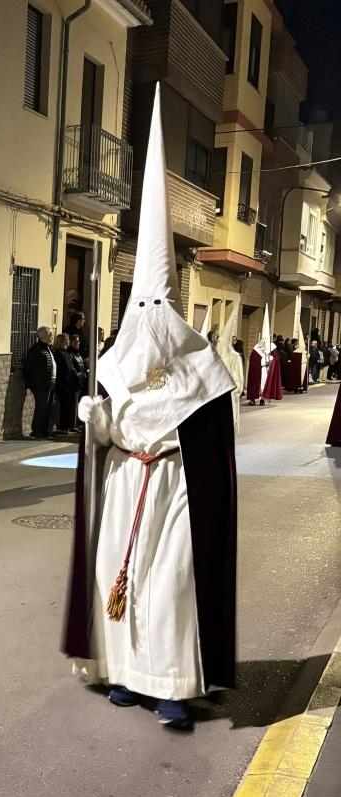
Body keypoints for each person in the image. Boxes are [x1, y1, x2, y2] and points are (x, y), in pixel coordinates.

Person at [63, 84, 237, 730]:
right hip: (124, 480)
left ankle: (171, 685)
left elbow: (214, 451)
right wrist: (95, 419)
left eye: (155, 307)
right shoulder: (117, 360)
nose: (147, 317)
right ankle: (126, 676)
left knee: (169, 589)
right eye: (140, 306)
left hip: (173, 489)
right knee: (122, 576)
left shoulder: (203, 370)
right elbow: (110, 429)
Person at [23, 326, 57, 439]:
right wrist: (35, 381)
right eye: (50, 335)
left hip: (49, 383)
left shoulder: (48, 349)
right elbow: (29, 367)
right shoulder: (36, 350)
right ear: (44, 336)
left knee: (48, 407)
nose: (52, 337)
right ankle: (37, 430)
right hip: (41, 385)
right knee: (42, 407)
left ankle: (45, 430)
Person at [53, 334, 81, 433]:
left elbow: (70, 368)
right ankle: (62, 427)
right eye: (66, 340)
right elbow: (62, 370)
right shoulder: (58, 354)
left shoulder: (66, 353)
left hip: (68, 383)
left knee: (67, 406)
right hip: (62, 383)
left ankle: (66, 426)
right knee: (63, 406)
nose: (68, 342)